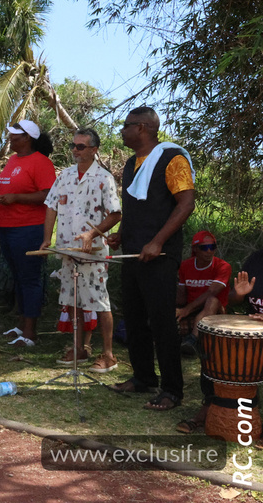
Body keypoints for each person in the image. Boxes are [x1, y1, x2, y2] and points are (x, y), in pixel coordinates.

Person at [106, 106, 195, 411]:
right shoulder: (131, 163)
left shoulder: (173, 158)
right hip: (133, 253)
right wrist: (121, 234)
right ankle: (143, 377)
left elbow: (186, 204)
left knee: (161, 323)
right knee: (133, 319)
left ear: (142, 128)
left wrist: (158, 241)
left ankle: (172, 390)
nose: (122, 131)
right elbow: (136, 209)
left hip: (160, 255)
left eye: (126, 125)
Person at [41, 127, 122, 372]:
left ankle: (108, 354)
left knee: (99, 300)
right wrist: (47, 238)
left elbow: (116, 214)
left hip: (94, 252)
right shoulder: (64, 176)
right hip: (67, 249)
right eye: (73, 146)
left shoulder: (103, 178)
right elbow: (51, 206)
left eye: (80, 146)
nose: (75, 150)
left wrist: (92, 233)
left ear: (94, 150)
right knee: (73, 300)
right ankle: (78, 349)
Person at [0, 119, 56, 347]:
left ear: (28, 138)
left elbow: (48, 195)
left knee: (30, 278)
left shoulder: (41, 162)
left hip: (28, 228)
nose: (11, 137)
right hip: (7, 226)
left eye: (16, 134)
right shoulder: (13, 160)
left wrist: (17, 198)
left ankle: (30, 332)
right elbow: (8, 186)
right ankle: (20, 324)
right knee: (17, 277)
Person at [176, 256, 262, 434]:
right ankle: (209, 406)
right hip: (256, 330)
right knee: (215, 352)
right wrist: (239, 293)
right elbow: (233, 299)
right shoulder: (255, 260)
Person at [176, 230, 231, 355]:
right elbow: (181, 299)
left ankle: (193, 340)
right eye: (204, 248)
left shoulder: (223, 266)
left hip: (215, 310)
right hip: (192, 308)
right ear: (195, 249)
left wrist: (186, 310)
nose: (209, 251)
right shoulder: (185, 266)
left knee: (212, 301)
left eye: (212, 247)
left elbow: (212, 292)